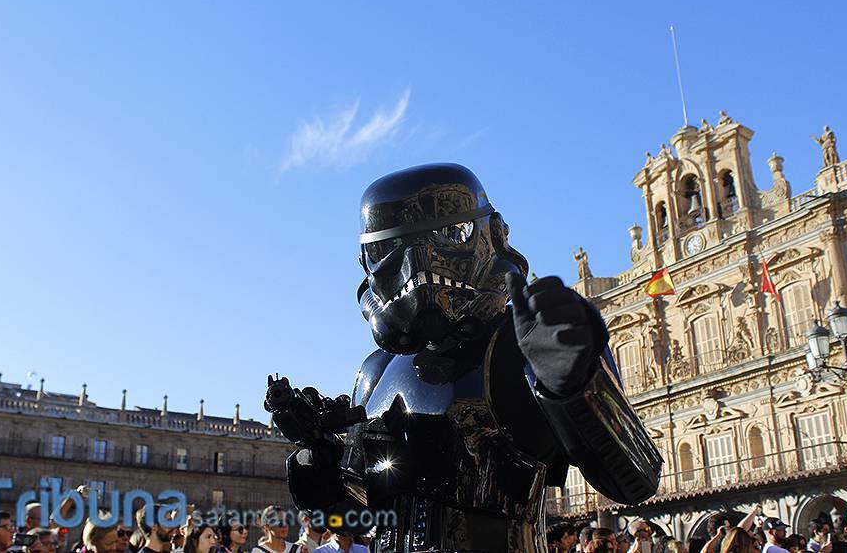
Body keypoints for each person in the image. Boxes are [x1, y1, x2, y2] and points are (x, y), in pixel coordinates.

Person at [268, 163, 662, 551]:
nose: (417, 265)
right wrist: (318, 453)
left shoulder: (524, 342)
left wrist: (576, 386)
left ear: (491, 234)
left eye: (447, 235)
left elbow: (633, 481)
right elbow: (357, 514)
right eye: (388, 250)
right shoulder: (375, 370)